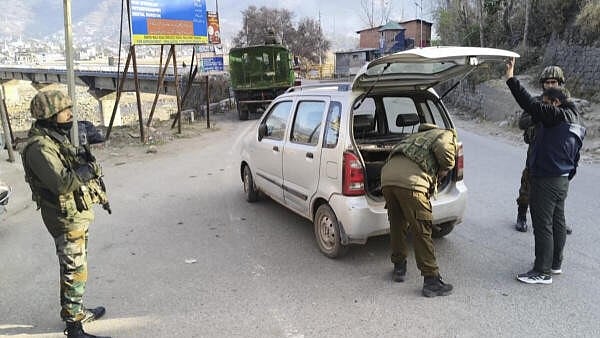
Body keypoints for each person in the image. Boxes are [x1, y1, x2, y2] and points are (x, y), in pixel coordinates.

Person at [21, 90, 111, 338]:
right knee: (74, 270)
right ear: (50, 115)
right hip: (64, 218)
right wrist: (87, 170)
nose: (70, 114)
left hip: (75, 213)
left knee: (77, 267)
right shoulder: (39, 148)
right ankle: (74, 326)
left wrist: (82, 154)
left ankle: (76, 311)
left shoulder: (55, 137)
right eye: (64, 111)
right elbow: (61, 183)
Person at [505, 58, 585, 284]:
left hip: (547, 177)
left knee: (542, 224)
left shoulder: (555, 114)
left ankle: (542, 271)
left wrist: (511, 78)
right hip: (561, 177)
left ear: (555, 103)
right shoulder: (573, 114)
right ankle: (555, 264)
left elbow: (530, 105)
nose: (545, 104)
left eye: (548, 103)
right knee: (558, 221)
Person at [381, 123, 457, 297]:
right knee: (421, 229)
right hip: (412, 184)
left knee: (397, 224)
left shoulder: (412, 137)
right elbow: (444, 149)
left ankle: (399, 268)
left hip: (387, 179)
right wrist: (446, 167)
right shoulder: (444, 134)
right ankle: (431, 281)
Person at [515, 65, 572, 235]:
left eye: (554, 82)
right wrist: (540, 114)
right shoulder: (537, 102)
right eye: (547, 82)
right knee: (527, 184)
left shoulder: (566, 104)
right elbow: (522, 123)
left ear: (560, 83)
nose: (550, 85)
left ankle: (558, 221)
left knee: (556, 190)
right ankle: (522, 215)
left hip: (558, 154)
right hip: (537, 151)